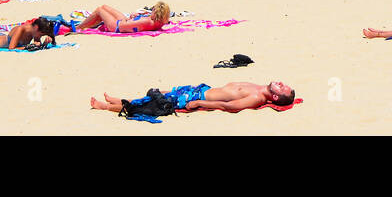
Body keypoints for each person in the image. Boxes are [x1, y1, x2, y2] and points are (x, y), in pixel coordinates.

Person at [90, 80, 296, 113]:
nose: (281, 83)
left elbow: (231, 106)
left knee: (152, 103)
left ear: (276, 98)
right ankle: (119, 99)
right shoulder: (260, 86)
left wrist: (199, 102)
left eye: (283, 88)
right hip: (198, 88)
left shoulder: (258, 98)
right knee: (160, 92)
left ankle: (105, 107)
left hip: (196, 96)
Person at [77, 1, 171, 34]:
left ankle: (78, 27)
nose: (151, 11)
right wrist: (134, 17)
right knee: (105, 7)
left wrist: (128, 19)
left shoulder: (148, 21)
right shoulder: (161, 22)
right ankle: (89, 24)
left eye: (153, 9)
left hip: (116, 26)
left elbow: (123, 26)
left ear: (157, 12)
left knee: (99, 10)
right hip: (123, 22)